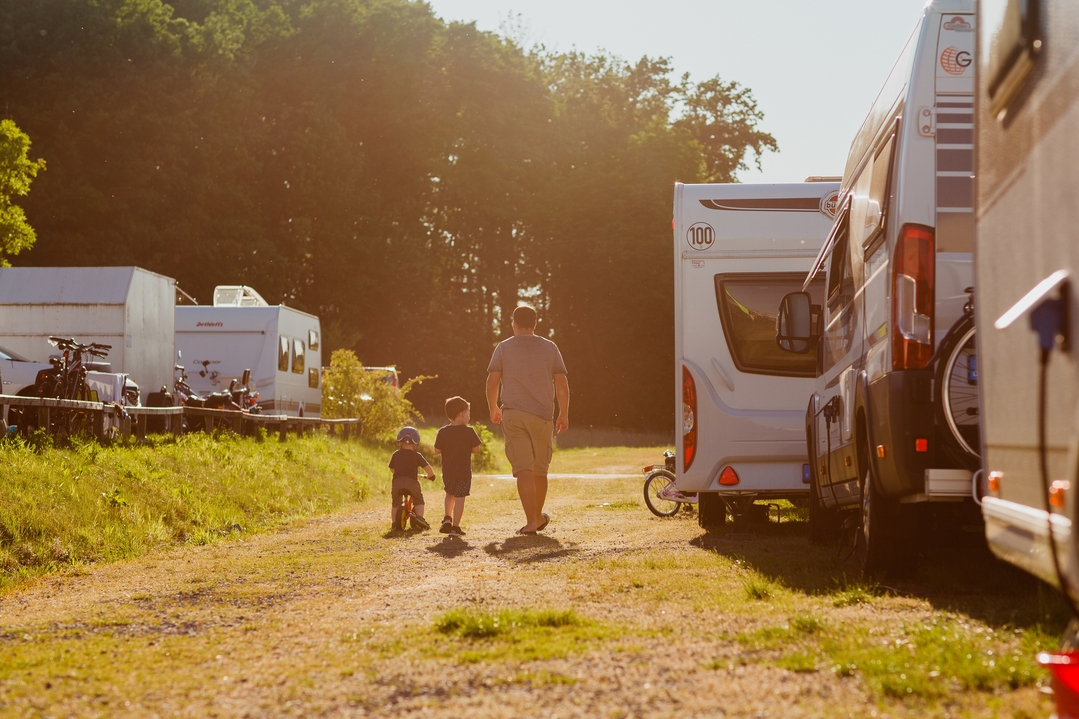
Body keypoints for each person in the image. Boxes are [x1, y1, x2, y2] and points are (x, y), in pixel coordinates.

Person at [486, 304, 569, 535]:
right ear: (535, 323)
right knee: (539, 470)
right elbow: (562, 384)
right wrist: (563, 413)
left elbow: (492, 381)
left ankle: (532, 521)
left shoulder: (503, 347)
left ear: (513, 323)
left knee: (523, 470)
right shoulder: (550, 347)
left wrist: (493, 407)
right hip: (542, 416)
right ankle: (537, 517)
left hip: (513, 415)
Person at [434, 396, 483, 537]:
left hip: (448, 472)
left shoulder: (443, 431)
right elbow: (476, 450)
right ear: (462, 414)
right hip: (463, 473)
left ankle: (447, 518)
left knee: (449, 493)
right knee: (460, 498)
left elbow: (436, 450)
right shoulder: (469, 431)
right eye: (468, 413)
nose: (469, 416)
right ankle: (455, 527)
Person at [388, 426, 435, 530]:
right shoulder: (417, 455)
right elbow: (428, 468)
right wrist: (431, 476)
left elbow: (391, 468)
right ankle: (420, 518)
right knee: (418, 500)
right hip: (412, 482)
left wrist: (399, 474)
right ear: (415, 444)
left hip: (397, 482)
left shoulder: (396, 454)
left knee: (396, 503)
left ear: (400, 443)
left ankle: (394, 523)